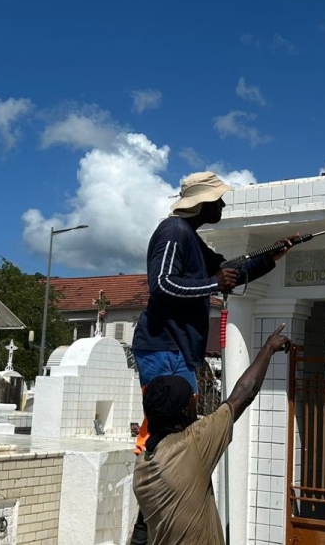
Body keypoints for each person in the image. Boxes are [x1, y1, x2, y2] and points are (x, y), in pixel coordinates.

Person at [128, 171, 296, 544]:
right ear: (202, 203)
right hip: (162, 346)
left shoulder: (191, 238)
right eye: (218, 199)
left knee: (181, 432)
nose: (222, 204)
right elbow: (161, 283)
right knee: (164, 429)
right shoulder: (173, 232)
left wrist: (271, 256)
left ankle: (163, 510)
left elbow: (227, 272)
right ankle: (144, 527)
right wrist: (212, 284)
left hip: (178, 349)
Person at [133, 325, 292, 544]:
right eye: (192, 401)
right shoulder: (190, 446)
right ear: (183, 412)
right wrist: (268, 347)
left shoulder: (142, 465)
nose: (196, 404)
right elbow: (244, 393)